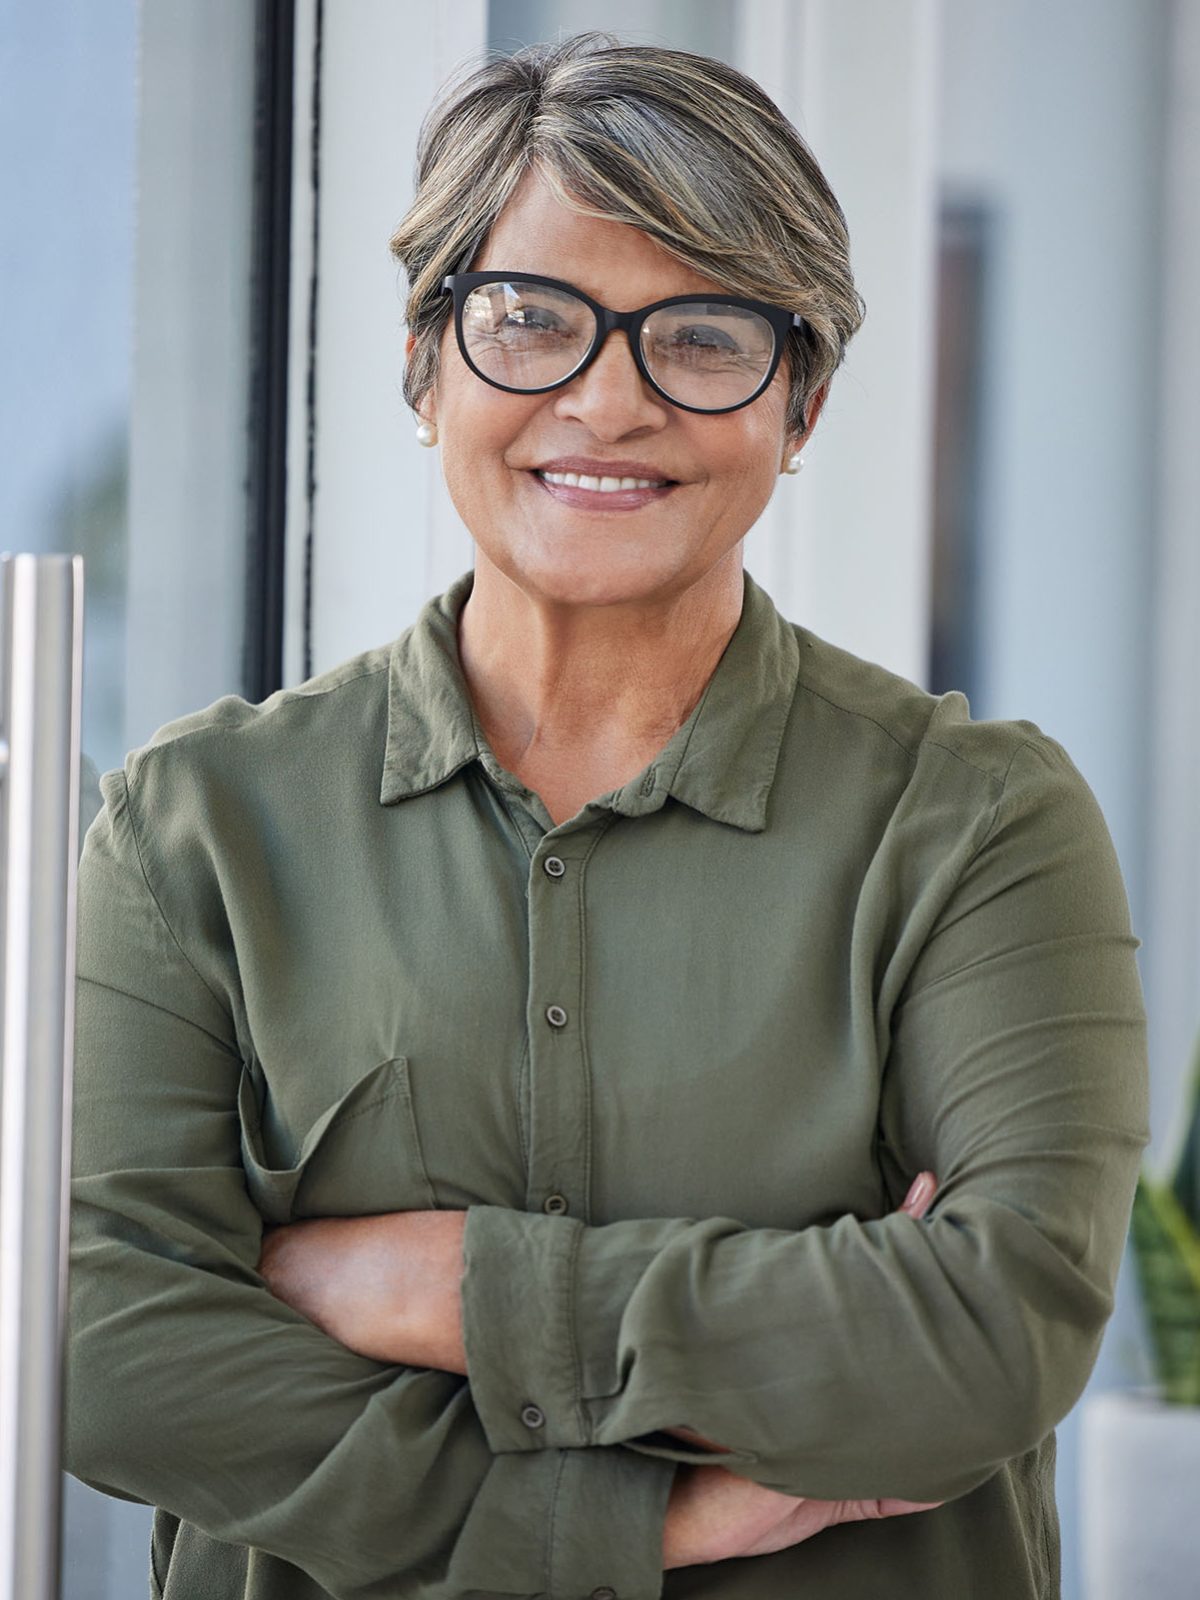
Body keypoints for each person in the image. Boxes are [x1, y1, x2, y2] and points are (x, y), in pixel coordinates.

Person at [65, 31, 1151, 1600]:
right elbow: (99, 1342)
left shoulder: (980, 824)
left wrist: (451, 1289)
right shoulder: (194, 829)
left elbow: (992, 1335)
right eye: (530, 320)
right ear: (425, 365)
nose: (608, 399)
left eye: (701, 336)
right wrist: (635, 1522)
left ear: (805, 401)